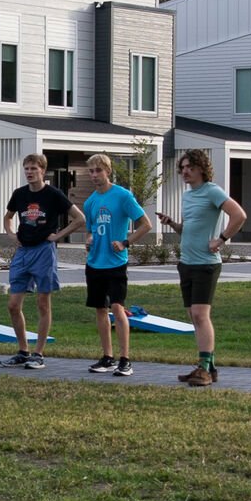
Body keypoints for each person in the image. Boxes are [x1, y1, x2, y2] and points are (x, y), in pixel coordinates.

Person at [156, 148, 247, 387]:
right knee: (192, 316)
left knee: (200, 314)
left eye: (190, 167)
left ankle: (204, 369)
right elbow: (187, 229)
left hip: (206, 264)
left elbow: (239, 215)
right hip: (186, 262)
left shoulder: (212, 191)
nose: (185, 172)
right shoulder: (188, 196)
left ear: (201, 169)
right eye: (183, 168)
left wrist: (221, 239)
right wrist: (172, 223)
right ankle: (209, 367)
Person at [1, 154, 84, 368]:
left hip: (44, 252)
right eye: (26, 168)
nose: (29, 172)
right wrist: (12, 235)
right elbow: (7, 217)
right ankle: (22, 350)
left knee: (42, 303)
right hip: (23, 252)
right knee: (13, 304)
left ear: (42, 170)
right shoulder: (19, 194)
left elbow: (80, 218)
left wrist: (58, 235)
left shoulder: (53, 194)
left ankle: (38, 353)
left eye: (33, 169)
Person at [80, 152, 151, 377]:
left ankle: (125, 359)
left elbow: (145, 224)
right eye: (91, 171)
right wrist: (89, 240)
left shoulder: (122, 196)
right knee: (100, 309)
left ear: (108, 171)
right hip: (95, 263)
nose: (94, 175)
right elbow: (90, 230)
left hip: (115, 264)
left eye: (98, 170)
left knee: (117, 308)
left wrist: (125, 242)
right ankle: (107, 357)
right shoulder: (90, 201)